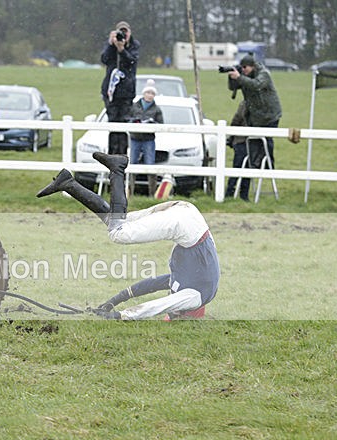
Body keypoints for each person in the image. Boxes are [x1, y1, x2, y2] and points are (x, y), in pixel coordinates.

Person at [36, 152, 219, 320]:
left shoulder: (190, 285)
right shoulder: (195, 298)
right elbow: (157, 306)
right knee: (118, 234)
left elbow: (151, 285)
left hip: (188, 214)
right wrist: (121, 315)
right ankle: (117, 168)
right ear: (186, 313)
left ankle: (68, 183)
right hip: (184, 226)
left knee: (118, 220)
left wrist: (112, 302)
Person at [227, 55, 282, 172]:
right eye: (241, 67)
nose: (243, 70)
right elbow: (233, 88)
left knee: (266, 141)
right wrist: (232, 77)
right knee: (254, 142)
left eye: (245, 67)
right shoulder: (245, 76)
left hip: (270, 115)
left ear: (252, 66)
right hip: (256, 116)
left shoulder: (264, 74)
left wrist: (239, 77)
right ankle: (254, 165)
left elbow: (256, 85)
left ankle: (268, 166)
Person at [100, 21, 140, 156]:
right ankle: (111, 154)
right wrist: (112, 45)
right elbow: (104, 59)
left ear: (130, 33)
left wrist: (122, 50)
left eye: (125, 32)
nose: (123, 35)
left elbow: (131, 62)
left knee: (123, 123)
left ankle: (122, 156)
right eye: (120, 32)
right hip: (111, 91)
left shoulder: (134, 46)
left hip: (126, 91)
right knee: (112, 123)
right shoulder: (110, 45)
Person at [127, 80, 163, 196]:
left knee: (150, 165)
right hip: (135, 139)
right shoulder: (134, 106)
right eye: (148, 93)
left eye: (152, 94)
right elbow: (127, 119)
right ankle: (130, 192)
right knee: (132, 164)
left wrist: (152, 124)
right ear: (144, 94)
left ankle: (152, 194)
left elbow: (161, 124)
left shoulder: (157, 109)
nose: (150, 95)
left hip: (148, 140)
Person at [225, 100, 250, 200]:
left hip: (241, 141)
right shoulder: (248, 103)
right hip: (244, 141)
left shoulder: (245, 103)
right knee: (242, 167)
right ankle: (236, 193)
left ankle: (233, 192)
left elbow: (236, 120)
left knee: (240, 167)